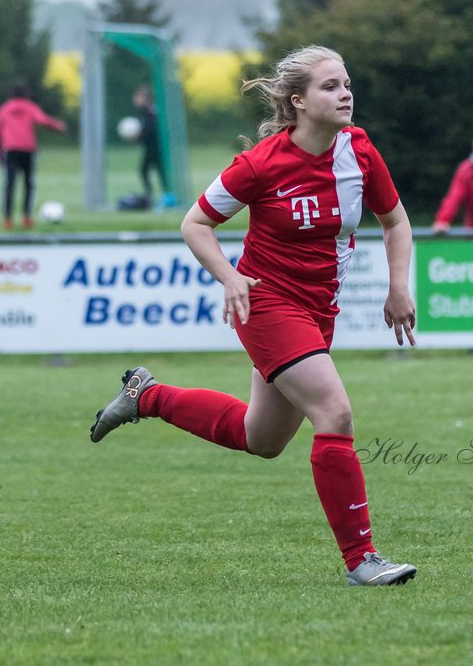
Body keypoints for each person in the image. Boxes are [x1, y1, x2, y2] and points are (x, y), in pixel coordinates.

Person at [90, 45, 419, 587]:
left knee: (261, 439)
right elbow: (195, 224)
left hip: (318, 311)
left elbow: (396, 221)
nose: (345, 94)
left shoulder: (358, 151)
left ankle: (144, 395)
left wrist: (398, 286)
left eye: (347, 83)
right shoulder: (262, 163)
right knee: (335, 414)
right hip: (266, 302)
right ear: (298, 101)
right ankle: (362, 560)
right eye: (330, 86)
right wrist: (231, 276)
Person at [0, 82, 66, 230]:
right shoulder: (30, 107)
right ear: (26, 94)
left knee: (9, 185)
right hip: (28, 150)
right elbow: (43, 120)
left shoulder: (4, 109)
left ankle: (7, 219)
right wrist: (59, 126)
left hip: (10, 150)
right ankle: (27, 218)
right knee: (28, 184)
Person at [131, 85, 167, 202]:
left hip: (156, 148)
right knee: (150, 170)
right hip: (150, 148)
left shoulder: (151, 111)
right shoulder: (144, 111)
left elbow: (152, 130)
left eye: (138, 97)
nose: (136, 100)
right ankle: (156, 193)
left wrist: (140, 135)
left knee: (152, 170)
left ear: (145, 98)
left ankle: (159, 194)